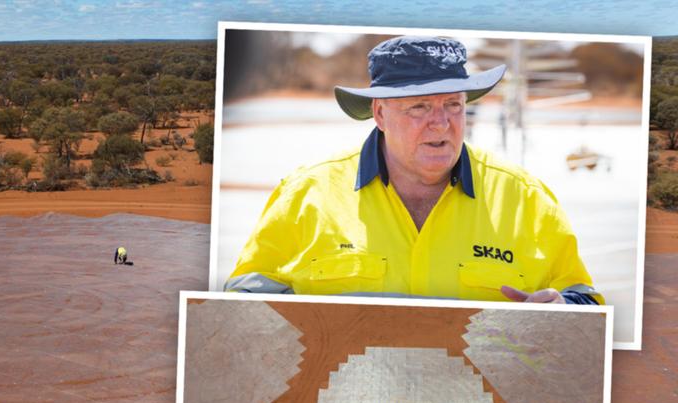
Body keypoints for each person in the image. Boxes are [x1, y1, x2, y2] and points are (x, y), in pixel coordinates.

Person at [225, 36, 601, 305]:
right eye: (419, 107)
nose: (441, 124)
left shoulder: (526, 198)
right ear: (379, 114)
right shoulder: (305, 195)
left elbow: (586, 303)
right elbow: (241, 300)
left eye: (453, 105)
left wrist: (563, 310)